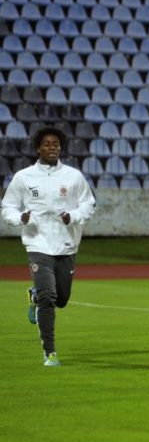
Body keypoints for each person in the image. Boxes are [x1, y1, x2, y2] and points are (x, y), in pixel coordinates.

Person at [2, 126, 96, 366]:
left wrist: (73, 216)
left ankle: (34, 296)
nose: (52, 147)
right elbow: (7, 207)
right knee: (49, 297)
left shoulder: (74, 176)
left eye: (56, 144)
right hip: (37, 243)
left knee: (61, 299)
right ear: (38, 148)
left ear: (61, 148)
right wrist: (20, 218)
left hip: (66, 244)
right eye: (46, 144)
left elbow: (88, 204)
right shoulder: (24, 177)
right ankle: (50, 352)